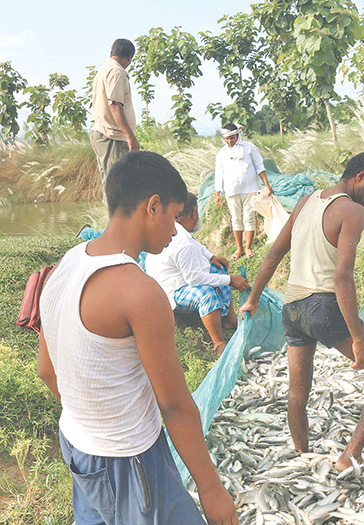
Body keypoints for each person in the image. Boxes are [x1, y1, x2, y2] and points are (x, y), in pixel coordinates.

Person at [37, 152, 237, 524]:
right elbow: (174, 406)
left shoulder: (65, 264)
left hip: (77, 446)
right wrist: (212, 491)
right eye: (175, 217)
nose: (175, 232)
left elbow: (47, 371)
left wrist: (91, 424)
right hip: (130, 459)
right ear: (153, 206)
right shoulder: (141, 293)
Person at [240, 151, 364, 472]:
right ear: (360, 177)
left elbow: (273, 255)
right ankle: (349, 456)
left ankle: (302, 455)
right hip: (322, 307)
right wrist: (357, 338)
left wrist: (253, 298)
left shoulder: (305, 202)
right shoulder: (351, 210)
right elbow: (342, 278)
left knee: (298, 392)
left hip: (292, 309)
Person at [145, 193, 250, 356]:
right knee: (205, 293)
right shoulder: (182, 244)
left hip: (178, 277)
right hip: (170, 291)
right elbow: (194, 279)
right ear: (194, 212)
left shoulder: (175, 224)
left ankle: (229, 319)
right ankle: (218, 343)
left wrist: (211, 257)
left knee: (219, 268)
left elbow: (195, 243)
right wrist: (230, 280)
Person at [214, 123, 273, 260]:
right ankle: (239, 248)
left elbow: (259, 167)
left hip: (250, 189)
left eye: (232, 138)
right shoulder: (222, 153)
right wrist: (218, 193)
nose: (229, 141)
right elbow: (219, 173)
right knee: (236, 219)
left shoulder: (249, 148)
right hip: (231, 190)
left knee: (249, 218)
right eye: (227, 138)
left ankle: (248, 248)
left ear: (237, 135)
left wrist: (267, 185)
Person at [90, 38, 139, 199]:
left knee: (114, 184)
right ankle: (114, 216)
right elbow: (115, 105)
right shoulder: (116, 72)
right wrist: (130, 136)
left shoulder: (104, 70)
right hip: (111, 136)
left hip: (107, 135)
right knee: (116, 187)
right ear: (129, 57)